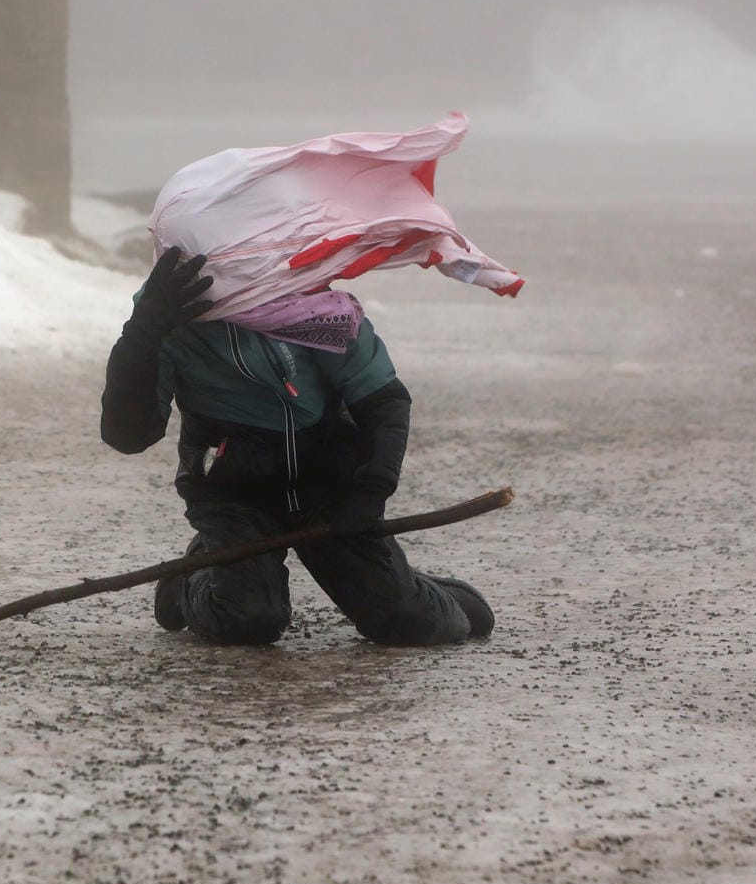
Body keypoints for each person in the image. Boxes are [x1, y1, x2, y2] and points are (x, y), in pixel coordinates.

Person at [99, 247, 493, 646]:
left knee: (405, 621)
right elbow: (128, 436)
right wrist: (142, 334)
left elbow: (384, 402)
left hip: (330, 490)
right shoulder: (168, 313)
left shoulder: (315, 304)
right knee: (248, 619)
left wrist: (370, 492)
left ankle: (417, 590)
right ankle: (190, 580)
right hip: (235, 495)